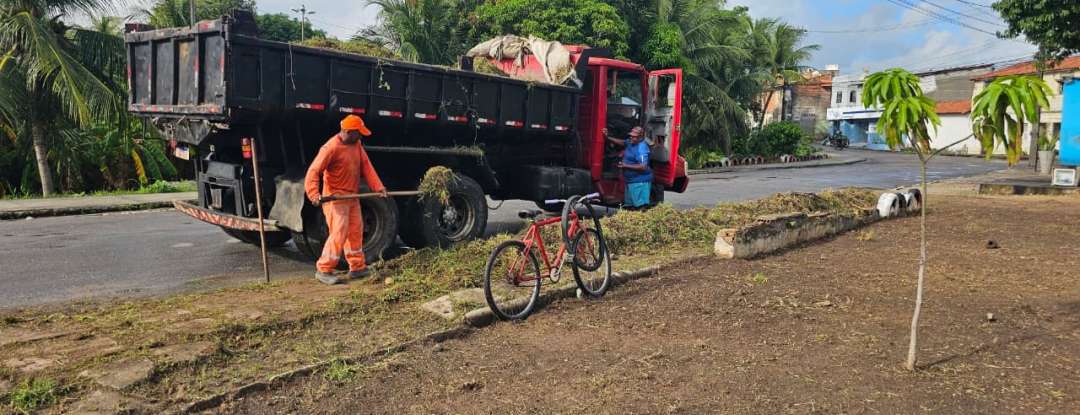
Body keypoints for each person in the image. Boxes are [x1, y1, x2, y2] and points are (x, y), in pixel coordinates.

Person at [304, 115, 388, 285]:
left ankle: (357, 268)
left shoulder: (356, 145)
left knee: (356, 231)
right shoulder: (331, 148)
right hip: (336, 199)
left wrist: (378, 187)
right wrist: (314, 194)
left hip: (352, 196)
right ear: (349, 132)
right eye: (359, 133)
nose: (361, 136)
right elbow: (313, 171)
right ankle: (324, 269)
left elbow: (366, 166)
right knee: (339, 233)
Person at [603, 126, 652, 209]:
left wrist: (625, 165)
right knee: (629, 206)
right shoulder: (631, 142)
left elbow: (643, 167)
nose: (631, 138)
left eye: (634, 136)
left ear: (640, 137)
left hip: (639, 182)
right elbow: (623, 142)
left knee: (640, 207)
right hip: (630, 181)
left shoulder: (641, 148)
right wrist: (607, 138)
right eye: (631, 135)